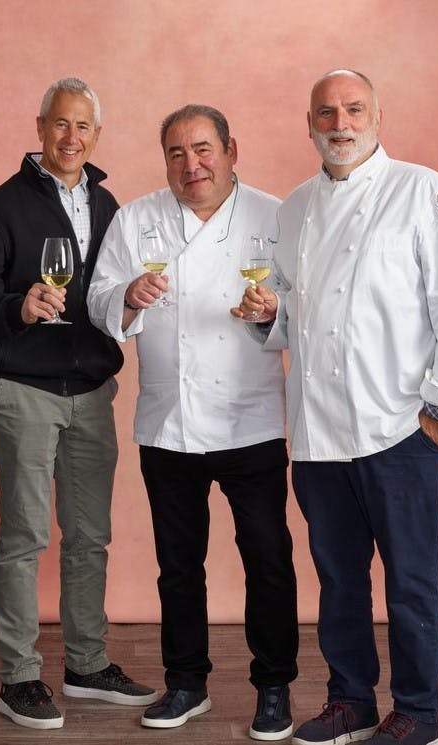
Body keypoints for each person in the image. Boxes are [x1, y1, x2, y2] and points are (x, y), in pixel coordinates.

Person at [234, 70, 438, 745]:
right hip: (318, 435)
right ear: (308, 122)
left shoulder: (422, 191)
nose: (339, 123)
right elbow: (301, 318)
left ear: (377, 114)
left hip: (398, 427)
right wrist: (270, 314)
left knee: (409, 583)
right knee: (338, 582)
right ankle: (350, 699)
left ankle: (418, 713)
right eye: (326, 112)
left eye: (352, 110)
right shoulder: (292, 209)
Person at [0, 77, 156, 731]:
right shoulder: (0, 206)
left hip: (91, 391)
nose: (71, 138)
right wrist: (19, 306)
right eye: (60, 124)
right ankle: (19, 677)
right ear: (39, 127)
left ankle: (86, 663)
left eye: (84, 127)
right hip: (22, 390)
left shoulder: (109, 203)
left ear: (97, 134)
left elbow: (114, 294)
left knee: (90, 536)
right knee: (24, 536)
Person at [89, 104, 299, 741]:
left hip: (252, 419)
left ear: (232, 149)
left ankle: (273, 686)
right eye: (177, 154)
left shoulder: (275, 216)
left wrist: (271, 312)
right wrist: (125, 297)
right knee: (177, 563)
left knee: (267, 557)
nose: (192, 165)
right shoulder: (137, 217)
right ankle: (186, 682)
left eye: (203, 150)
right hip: (169, 421)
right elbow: (99, 299)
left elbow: (301, 308)